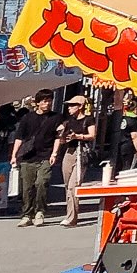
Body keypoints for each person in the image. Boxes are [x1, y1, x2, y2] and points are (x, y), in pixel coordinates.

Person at [10, 88, 60, 226]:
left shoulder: (56, 117)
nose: (47, 103)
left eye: (49, 100)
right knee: (27, 188)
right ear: (37, 103)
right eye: (44, 101)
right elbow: (19, 138)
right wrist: (14, 155)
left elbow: (58, 137)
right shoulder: (27, 118)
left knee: (42, 183)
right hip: (28, 157)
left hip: (46, 156)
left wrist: (54, 153)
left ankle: (40, 212)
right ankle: (27, 214)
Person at [54, 93, 97, 227]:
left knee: (74, 186)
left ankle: (71, 217)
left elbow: (92, 135)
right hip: (69, 152)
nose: (69, 108)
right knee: (67, 185)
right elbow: (61, 138)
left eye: (72, 105)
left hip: (81, 152)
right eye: (69, 106)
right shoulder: (68, 121)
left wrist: (77, 136)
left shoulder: (88, 120)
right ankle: (71, 214)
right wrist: (61, 137)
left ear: (80, 106)